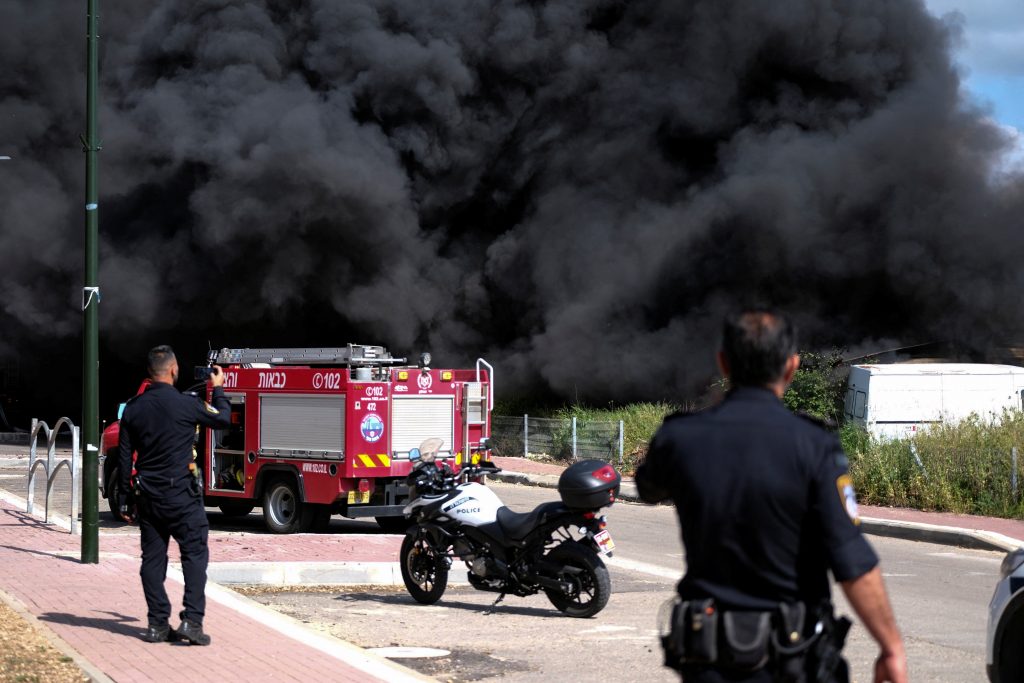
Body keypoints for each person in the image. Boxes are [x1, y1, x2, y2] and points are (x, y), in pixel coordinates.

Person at [636, 310, 907, 683]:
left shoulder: (679, 438)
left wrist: (711, 413)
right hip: (793, 661)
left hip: (709, 662)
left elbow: (649, 488)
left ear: (723, 363)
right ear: (791, 367)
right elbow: (851, 560)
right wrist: (890, 647)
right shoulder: (814, 445)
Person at [118, 345, 231, 645]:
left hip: (149, 498)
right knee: (194, 555)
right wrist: (217, 389)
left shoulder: (133, 409)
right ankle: (192, 622)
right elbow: (223, 418)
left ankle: (157, 624)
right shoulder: (186, 404)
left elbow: (125, 457)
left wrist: (126, 497)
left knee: (152, 562)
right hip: (182, 496)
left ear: (149, 373)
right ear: (172, 370)